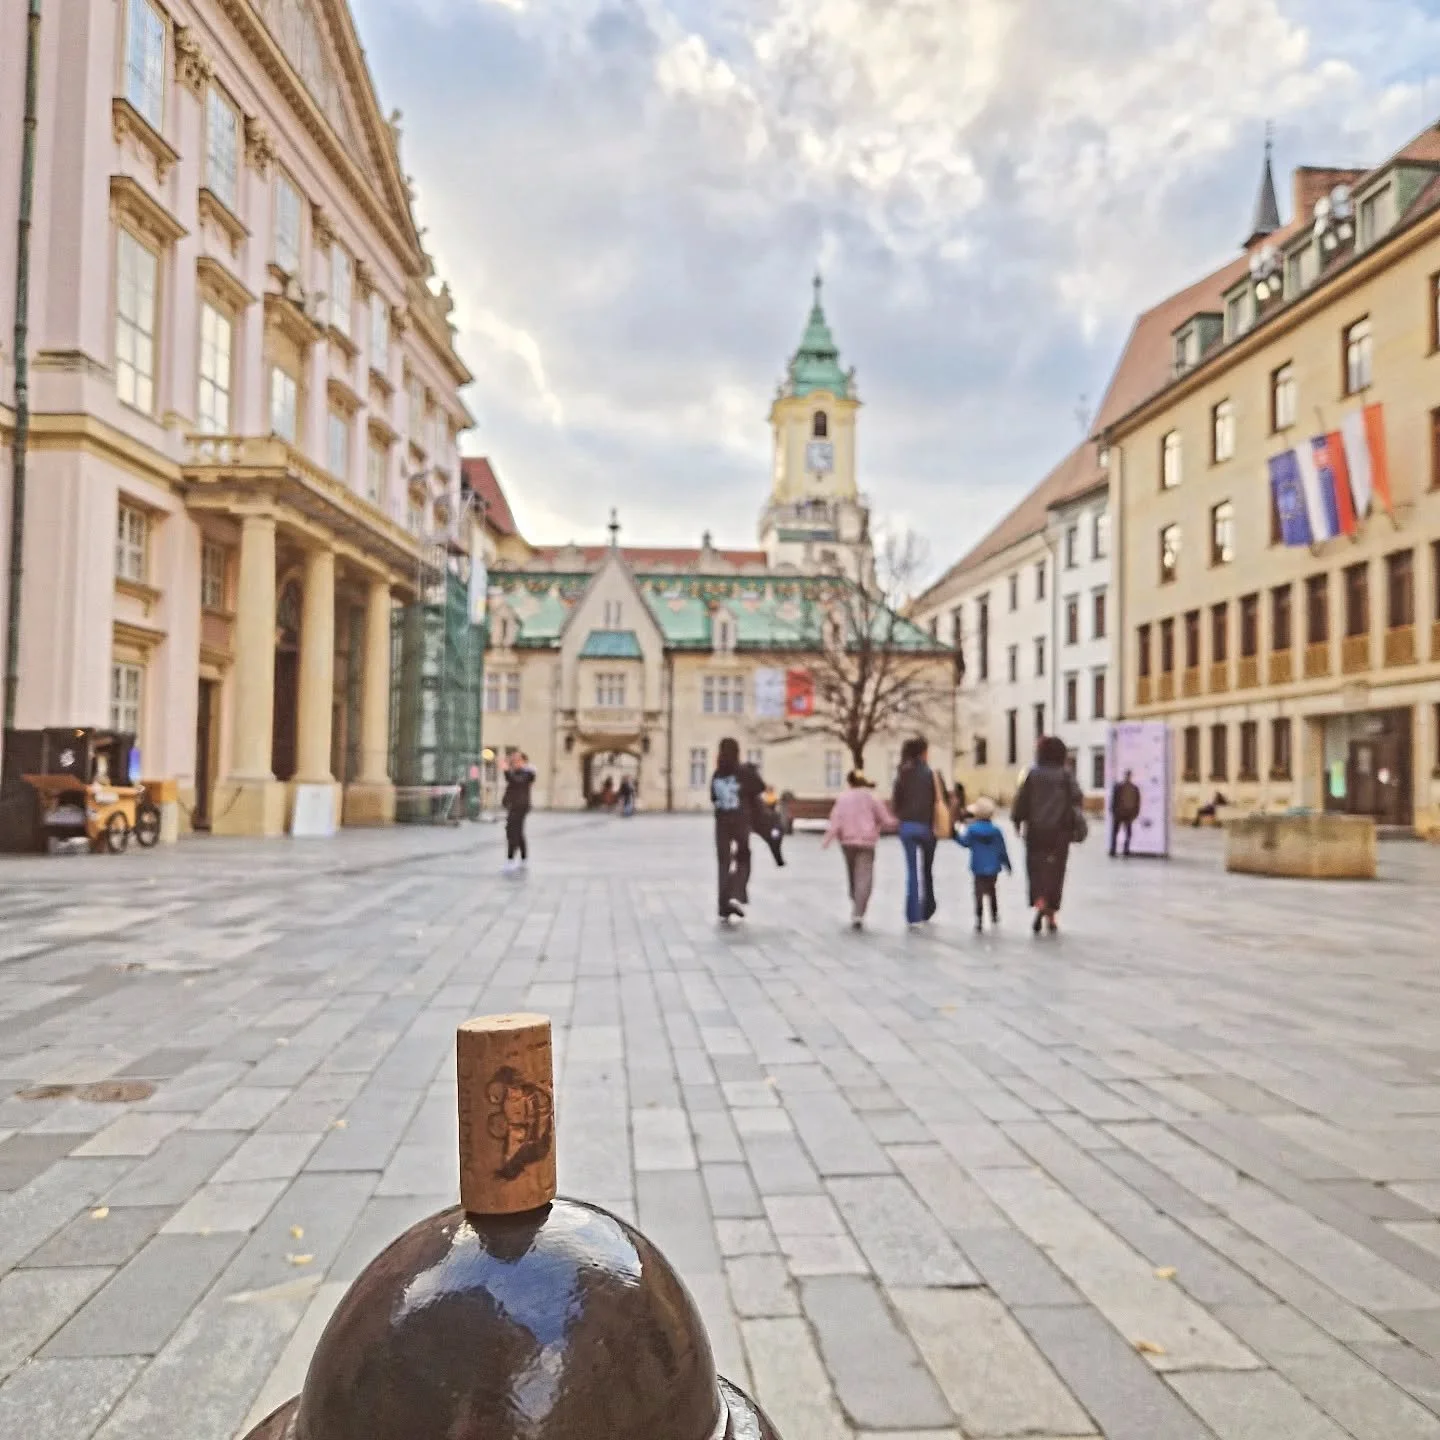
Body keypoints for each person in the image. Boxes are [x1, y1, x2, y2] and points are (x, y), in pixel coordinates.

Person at [1011, 735, 1084, 935]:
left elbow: (1021, 799)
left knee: (1036, 868)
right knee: (1056, 871)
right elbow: (1077, 797)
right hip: (1060, 831)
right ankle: (1051, 914)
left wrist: (1017, 820)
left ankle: (1040, 901)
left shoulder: (1032, 774)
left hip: (1035, 831)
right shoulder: (1065, 774)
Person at [822, 771, 895, 929]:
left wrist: (828, 839)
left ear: (849, 782)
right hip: (867, 842)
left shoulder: (843, 798)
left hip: (847, 842)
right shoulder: (872, 797)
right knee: (865, 877)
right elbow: (885, 818)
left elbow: (836, 819)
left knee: (852, 874)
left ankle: (855, 901)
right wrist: (896, 823)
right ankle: (859, 912)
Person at [891, 736, 947, 927]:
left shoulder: (902, 774)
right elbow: (941, 800)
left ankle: (913, 914)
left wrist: (902, 816)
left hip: (907, 827)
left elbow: (896, 802)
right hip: (927, 827)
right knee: (927, 869)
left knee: (912, 871)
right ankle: (928, 906)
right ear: (924, 753)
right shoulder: (931, 774)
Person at [711, 738, 764, 921]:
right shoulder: (743, 771)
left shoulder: (717, 774)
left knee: (723, 863)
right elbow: (760, 787)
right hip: (740, 822)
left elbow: (713, 797)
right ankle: (734, 891)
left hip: (721, 823)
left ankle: (723, 904)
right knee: (743, 857)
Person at [955, 797, 1012, 932]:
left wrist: (955, 835)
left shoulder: (972, 830)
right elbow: (1002, 850)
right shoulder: (996, 831)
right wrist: (1007, 865)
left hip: (978, 867)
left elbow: (965, 843)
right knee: (992, 890)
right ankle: (994, 914)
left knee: (978, 892)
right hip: (993, 867)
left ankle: (979, 919)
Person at [501, 752, 536, 875]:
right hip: (514, 806)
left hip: (520, 806)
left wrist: (506, 770)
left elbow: (516, 781)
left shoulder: (528, 773)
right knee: (517, 832)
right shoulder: (516, 772)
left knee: (513, 832)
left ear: (523, 761)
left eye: (517, 760)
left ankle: (510, 859)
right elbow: (511, 783)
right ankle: (523, 858)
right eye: (513, 760)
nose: (514, 762)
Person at [1110, 769, 1141, 857]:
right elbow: (1114, 799)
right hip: (1119, 813)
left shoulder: (1134, 788)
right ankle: (1113, 850)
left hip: (1128, 813)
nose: (1127, 777)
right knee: (1115, 832)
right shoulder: (1118, 787)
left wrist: (1135, 812)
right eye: (1127, 775)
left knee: (1128, 833)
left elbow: (1137, 801)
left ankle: (1126, 850)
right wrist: (1113, 811)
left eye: (1129, 776)